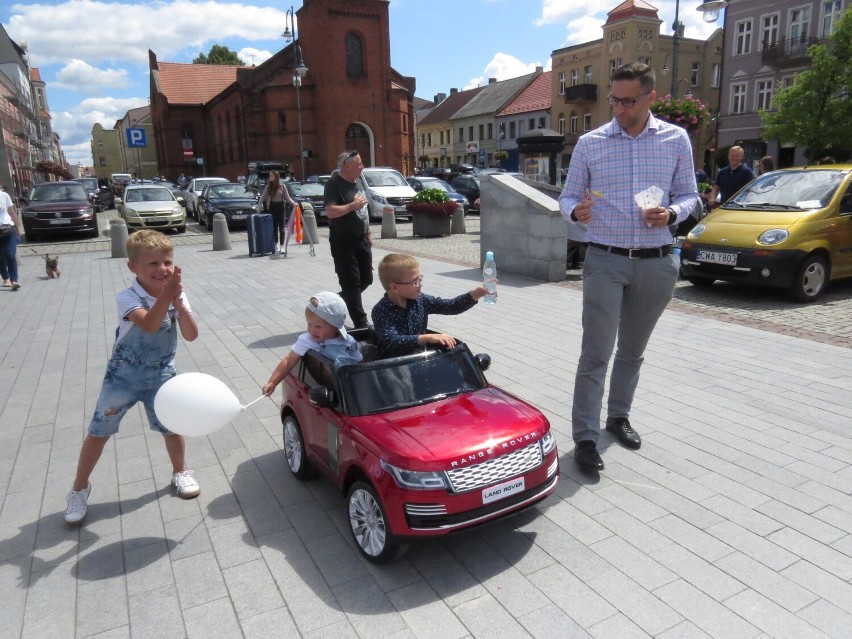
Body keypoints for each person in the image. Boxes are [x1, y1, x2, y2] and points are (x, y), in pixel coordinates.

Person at [558, 62, 699, 472]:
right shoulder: (591, 142)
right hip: (605, 259)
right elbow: (566, 199)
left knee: (633, 352)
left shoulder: (676, 139)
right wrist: (576, 212)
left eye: (628, 101)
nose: (619, 108)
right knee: (595, 353)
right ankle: (585, 436)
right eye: (615, 100)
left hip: (657, 262)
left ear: (650, 98)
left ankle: (618, 417)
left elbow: (690, 194)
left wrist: (672, 212)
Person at [64, 230, 200, 525]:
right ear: (133, 267)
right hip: (123, 377)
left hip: (161, 374)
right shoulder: (128, 297)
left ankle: (180, 471)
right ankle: (78, 488)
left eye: (167, 262)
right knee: (99, 431)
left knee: (172, 427)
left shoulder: (176, 295)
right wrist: (166, 296)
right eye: (152, 264)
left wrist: (179, 303)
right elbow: (149, 325)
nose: (162, 269)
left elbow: (191, 335)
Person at [371, 253, 487, 358]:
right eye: (415, 281)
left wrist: (476, 294)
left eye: (420, 278)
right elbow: (391, 341)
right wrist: (427, 337)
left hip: (420, 360)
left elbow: (451, 306)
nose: (420, 284)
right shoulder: (381, 310)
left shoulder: (421, 300)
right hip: (393, 367)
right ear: (395, 287)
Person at [262, 292, 362, 396]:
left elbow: (360, 363)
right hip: (329, 392)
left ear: (335, 327)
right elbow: (289, 360)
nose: (311, 330)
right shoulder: (307, 340)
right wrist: (272, 382)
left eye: (318, 326)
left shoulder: (348, 341)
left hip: (351, 388)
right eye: (309, 324)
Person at [323, 150, 373, 328]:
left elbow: (364, 211)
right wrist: (353, 205)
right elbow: (330, 212)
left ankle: (331, 305)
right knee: (351, 283)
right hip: (343, 241)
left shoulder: (358, 181)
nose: (362, 166)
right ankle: (361, 323)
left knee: (367, 279)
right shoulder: (333, 184)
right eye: (359, 164)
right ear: (347, 166)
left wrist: (368, 233)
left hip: (361, 239)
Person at [258, 169, 297, 254]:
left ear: (276, 177)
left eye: (271, 176)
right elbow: (262, 197)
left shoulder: (282, 186)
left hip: (280, 207)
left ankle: (282, 246)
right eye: (270, 175)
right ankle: (276, 244)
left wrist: (294, 203)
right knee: (274, 228)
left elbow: (287, 197)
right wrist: (259, 206)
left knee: (282, 228)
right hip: (271, 207)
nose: (270, 177)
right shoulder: (268, 187)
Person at [0, 185, 21, 291]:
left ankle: (14, 281)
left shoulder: (4, 195)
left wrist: (18, 228)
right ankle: (6, 278)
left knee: (9, 254)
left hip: (8, 228)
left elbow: (11, 212)